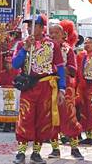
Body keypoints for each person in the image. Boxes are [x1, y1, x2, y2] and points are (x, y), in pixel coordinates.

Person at [12, 15, 66, 164]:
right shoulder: (21, 44)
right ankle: (21, 152)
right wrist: (25, 48)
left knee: (43, 120)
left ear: (42, 28)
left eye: (34, 25)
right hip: (29, 87)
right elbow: (15, 65)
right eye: (29, 25)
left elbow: (60, 67)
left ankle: (36, 152)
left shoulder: (53, 45)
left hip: (46, 86)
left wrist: (62, 89)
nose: (30, 28)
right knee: (25, 118)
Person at [48, 20, 84, 160]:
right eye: (51, 33)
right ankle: (55, 148)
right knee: (50, 118)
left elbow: (74, 70)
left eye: (56, 33)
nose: (53, 36)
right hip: (48, 87)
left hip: (66, 87)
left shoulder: (68, 50)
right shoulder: (44, 48)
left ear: (63, 34)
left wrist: (60, 68)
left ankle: (74, 148)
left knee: (69, 116)